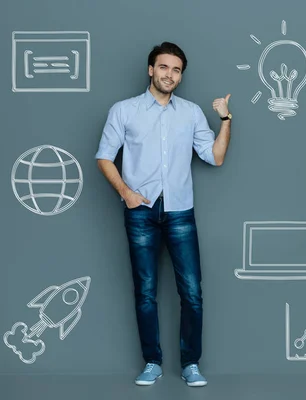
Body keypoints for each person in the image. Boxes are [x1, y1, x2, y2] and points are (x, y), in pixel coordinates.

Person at [94, 41, 232, 387]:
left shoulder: (191, 113)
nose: (170, 74)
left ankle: (191, 364)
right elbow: (104, 157)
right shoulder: (124, 111)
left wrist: (225, 119)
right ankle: (152, 362)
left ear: (180, 76)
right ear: (151, 70)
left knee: (192, 293)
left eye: (176, 70)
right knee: (145, 291)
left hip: (180, 211)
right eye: (164, 67)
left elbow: (214, 157)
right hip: (140, 212)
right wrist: (125, 193)